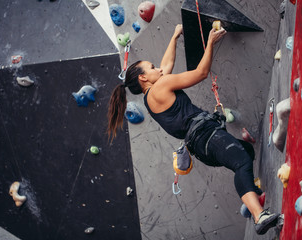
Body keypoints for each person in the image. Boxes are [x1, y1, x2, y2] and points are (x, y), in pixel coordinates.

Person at [107, 24, 280, 235]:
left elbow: (166, 64)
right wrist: (210, 43)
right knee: (241, 161)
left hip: (201, 145)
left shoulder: (152, 97)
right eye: (152, 67)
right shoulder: (160, 87)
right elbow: (201, 73)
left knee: (246, 150)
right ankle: (259, 215)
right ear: (143, 78)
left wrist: (174, 35)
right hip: (206, 136)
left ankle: (252, 194)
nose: (158, 69)